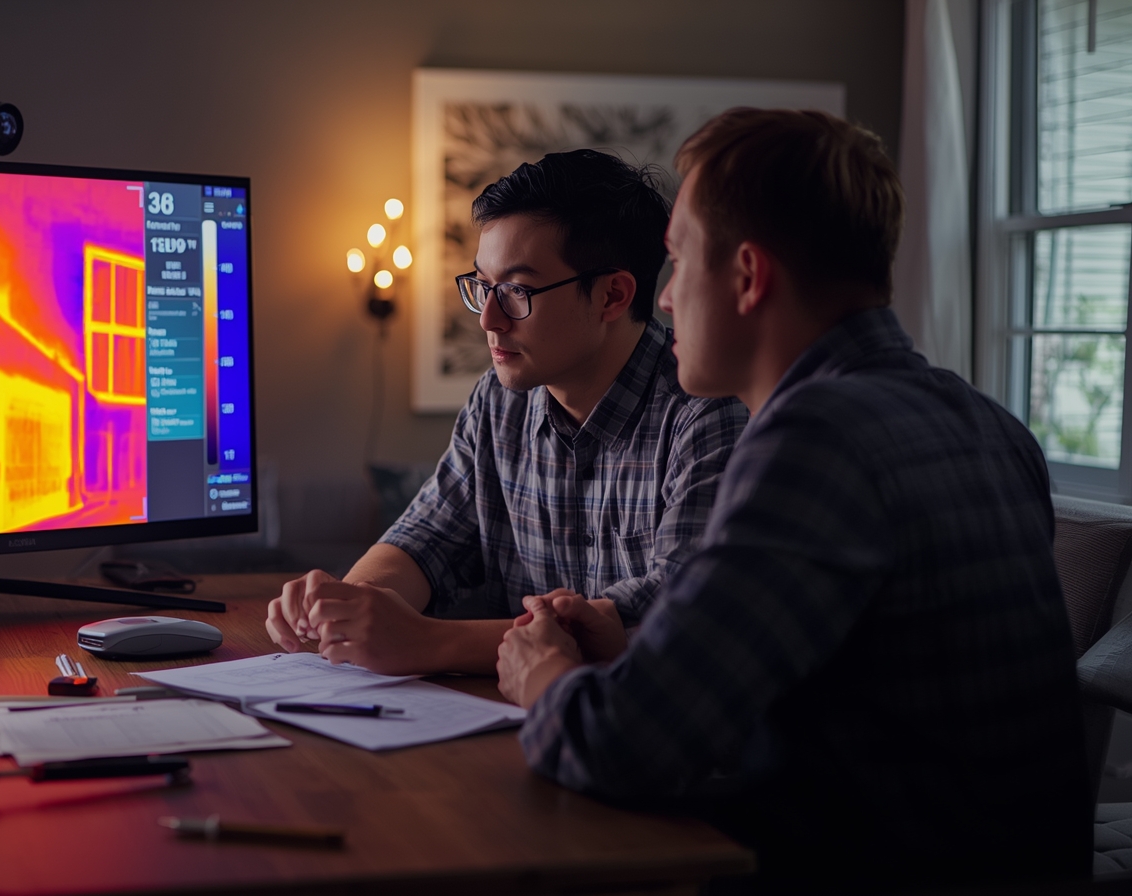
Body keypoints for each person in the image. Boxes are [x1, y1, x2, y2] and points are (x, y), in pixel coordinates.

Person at [496, 109, 1089, 889]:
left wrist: (540, 669)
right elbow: (850, 679)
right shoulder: (990, 425)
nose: (666, 300)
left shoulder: (813, 440)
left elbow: (621, 746)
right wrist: (637, 647)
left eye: (678, 261)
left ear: (748, 276)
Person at [265, 149, 747, 675]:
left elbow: (671, 614)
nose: (489, 319)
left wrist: (429, 642)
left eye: (516, 291)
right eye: (483, 287)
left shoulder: (707, 412)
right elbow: (426, 539)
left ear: (612, 295)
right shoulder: (497, 404)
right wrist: (349, 603)